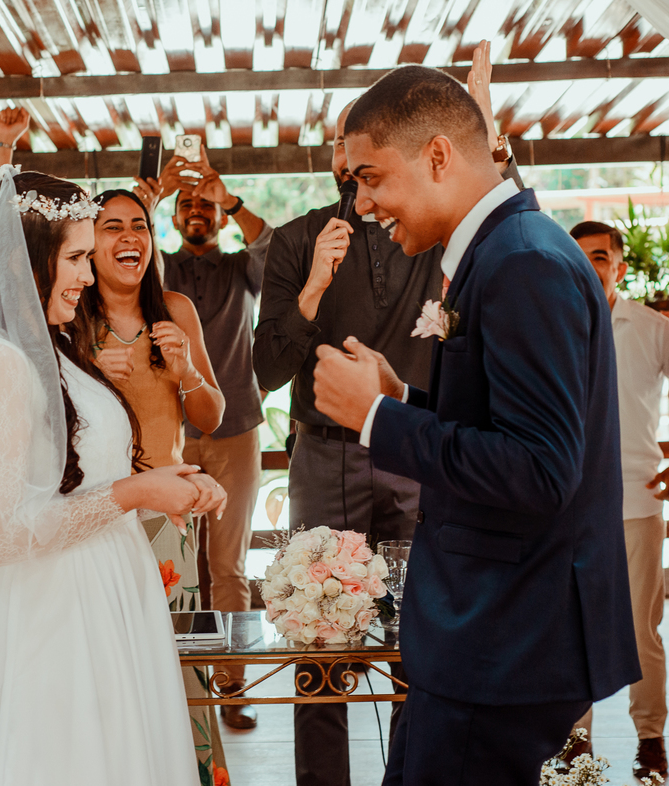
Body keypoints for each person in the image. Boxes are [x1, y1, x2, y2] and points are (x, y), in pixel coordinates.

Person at [312, 65, 639, 783]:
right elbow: (507, 422)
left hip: (506, 638)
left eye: (370, 177)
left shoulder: (523, 262)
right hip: (490, 637)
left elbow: (540, 470)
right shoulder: (507, 249)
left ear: (437, 155)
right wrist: (404, 399)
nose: (361, 203)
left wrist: (375, 419)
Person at [0, 167, 226, 786]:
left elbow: (72, 480)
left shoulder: (52, 347)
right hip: (56, 620)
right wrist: (137, 491)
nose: (88, 275)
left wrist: (166, 478)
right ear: (28, 259)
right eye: (75, 257)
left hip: (105, 598)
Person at [252, 40, 521, 786]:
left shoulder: (425, 226)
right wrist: (312, 287)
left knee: (420, 624)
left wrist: (487, 133)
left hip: (415, 444)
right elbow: (266, 369)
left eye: (370, 155)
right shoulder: (295, 239)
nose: (356, 169)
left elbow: (499, 228)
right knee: (318, 631)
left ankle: (411, 770)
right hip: (322, 455)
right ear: (335, 155)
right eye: (348, 149)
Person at [84, 187, 231, 778]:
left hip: (167, 522)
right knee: (110, 666)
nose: (129, 238)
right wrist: (88, 371)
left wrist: (187, 370)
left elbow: (211, 416)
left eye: (139, 226)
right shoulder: (69, 317)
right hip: (97, 517)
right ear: (88, 244)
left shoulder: (175, 309)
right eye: (112, 227)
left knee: (178, 666)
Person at [134, 142, 273, 729]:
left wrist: (230, 199)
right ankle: (171, 684)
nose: (196, 210)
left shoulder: (243, 270)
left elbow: (272, 250)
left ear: (217, 215)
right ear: (171, 218)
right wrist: (154, 195)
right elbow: (122, 255)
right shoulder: (158, 269)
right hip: (168, 432)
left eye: (205, 205)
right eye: (186, 205)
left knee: (228, 566)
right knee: (166, 562)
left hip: (236, 428)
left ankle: (232, 687)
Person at [568, 220, 669, 779]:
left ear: (619, 266)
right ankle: (574, 744)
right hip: (563, 507)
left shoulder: (653, 329)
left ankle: (651, 740)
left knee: (641, 631)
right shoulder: (549, 321)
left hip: (634, 505)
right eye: (579, 256)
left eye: (600, 256)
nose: (589, 266)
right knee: (569, 630)